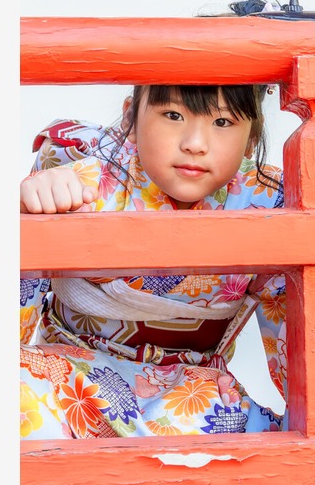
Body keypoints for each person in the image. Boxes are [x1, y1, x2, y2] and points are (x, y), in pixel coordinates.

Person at [20, 84, 287, 438]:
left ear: (252, 138)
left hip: (192, 393)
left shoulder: (267, 204)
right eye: (173, 115)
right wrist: (25, 216)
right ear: (131, 117)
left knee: (263, 451)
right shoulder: (82, 178)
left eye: (222, 122)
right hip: (68, 375)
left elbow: (299, 345)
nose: (195, 142)